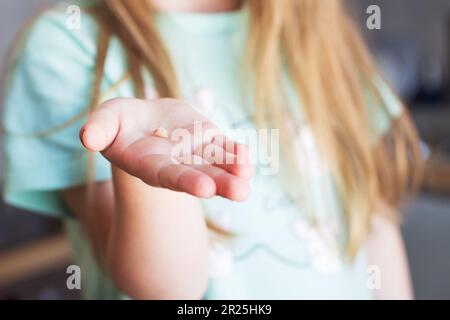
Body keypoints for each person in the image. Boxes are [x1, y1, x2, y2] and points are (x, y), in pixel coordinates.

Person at [2, 0, 422, 299]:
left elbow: (376, 230)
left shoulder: (317, 34)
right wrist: (150, 176)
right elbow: (167, 287)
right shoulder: (69, 42)